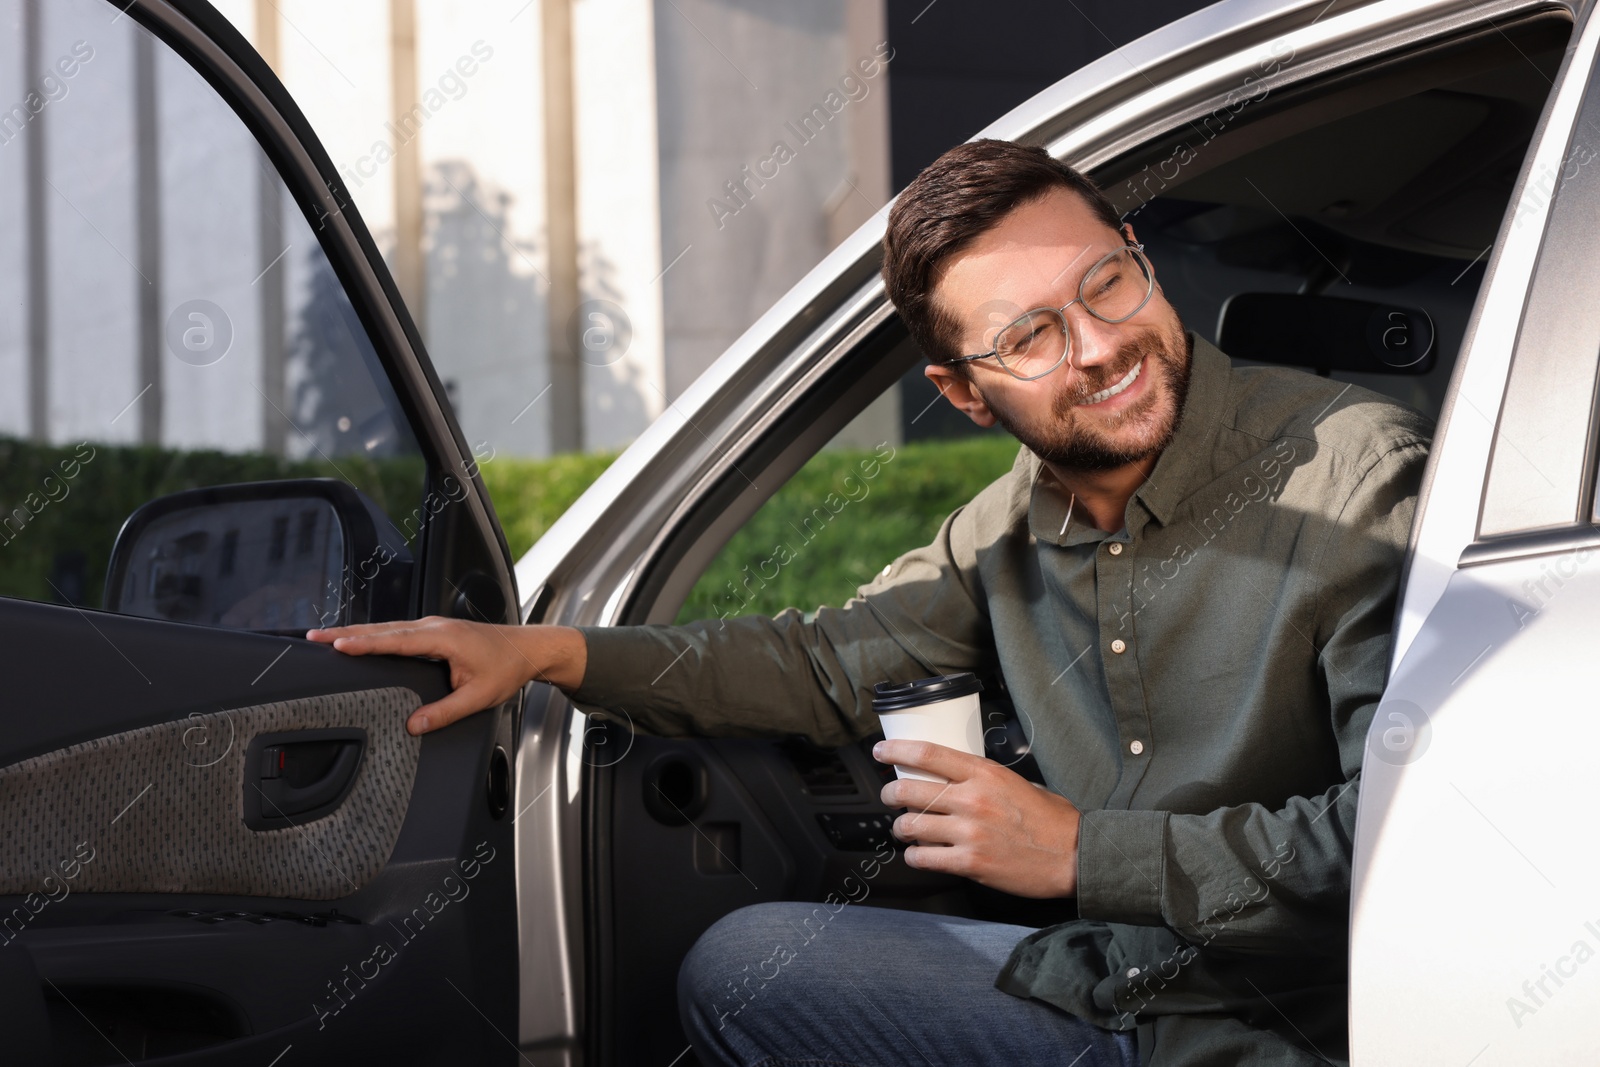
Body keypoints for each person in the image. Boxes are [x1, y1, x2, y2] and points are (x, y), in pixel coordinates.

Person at [308, 139, 1431, 1066]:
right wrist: (553, 652)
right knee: (746, 964)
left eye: (1106, 282)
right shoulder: (1004, 526)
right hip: (1111, 995)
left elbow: (1401, 841)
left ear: (1138, 255)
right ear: (962, 391)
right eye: (1029, 335)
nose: (1099, 346)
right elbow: (819, 661)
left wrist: (1085, 852)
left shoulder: (1350, 473)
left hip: (1307, 1035)